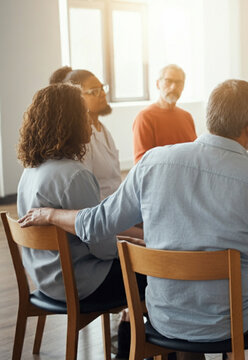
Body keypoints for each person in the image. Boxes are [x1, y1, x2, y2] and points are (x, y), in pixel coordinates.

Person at [19, 79, 248, 360]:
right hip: (232, 321)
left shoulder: (152, 162)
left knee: (180, 292)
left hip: (164, 316)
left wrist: (51, 213)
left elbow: (96, 225)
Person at [16, 84, 146, 357]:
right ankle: (131, 349)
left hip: (45, 278)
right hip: (80, 284)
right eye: (84, 114)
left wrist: (123, 235)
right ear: (70, 121)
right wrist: (133, 242)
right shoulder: (75, 175)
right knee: (158, 275)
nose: (90, 120)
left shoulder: (30, 171)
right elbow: (103, 248)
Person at [50, 66, 122, 200]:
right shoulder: (81, 138)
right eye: (94, 91)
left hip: (114, 203)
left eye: (102, 88)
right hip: (97, 208)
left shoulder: (103, 130)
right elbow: (85, 188)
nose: (102, 94)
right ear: (76, 98)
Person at [132, 64, 197, 164]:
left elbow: (194, 153)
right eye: (168, 81)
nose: (173, 87)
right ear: (158, 84)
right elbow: (141, 162)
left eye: (179, 82)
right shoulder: (145, 117)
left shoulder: (187, 117)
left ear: (183, 86)